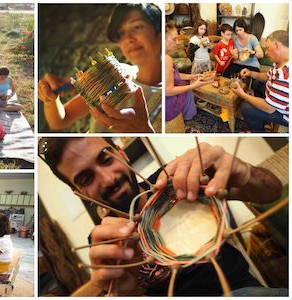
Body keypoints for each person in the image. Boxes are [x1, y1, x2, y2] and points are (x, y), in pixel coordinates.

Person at [39, 137, 285, 296]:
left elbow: (271, 191)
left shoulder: (176, 181)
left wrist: (243, 172)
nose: (108, 179)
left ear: (121, 153)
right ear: (78, 192)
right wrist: (122, 290)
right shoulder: (105, 242)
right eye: (86, 179)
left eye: (106, 159)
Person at [38, 4, 162, 133]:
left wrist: (143, 130)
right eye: (121, 33)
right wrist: (51, 100)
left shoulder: (173, 93)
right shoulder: (115, 74)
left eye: (137, 27)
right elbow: (59, 121)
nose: (128, 39)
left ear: (160, 32)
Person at [231, 30, 289, 132]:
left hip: (285, 114)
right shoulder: (280, 62)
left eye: (267, 48)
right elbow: (268, 77)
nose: (266, 52)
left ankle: (259, 133)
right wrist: (251, 73)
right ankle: (261, 119)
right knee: (257, 84)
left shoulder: (285, 75)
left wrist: (243, 95)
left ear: (277, 46)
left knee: (245, 108)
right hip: (278, 102)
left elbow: (269, 108)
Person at [165, 22, 211, 131]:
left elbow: (175, 75)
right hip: (168, 105)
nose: (178, 43)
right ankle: (186, 115)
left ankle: (187, 116)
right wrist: (194, 85)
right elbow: (168, 91)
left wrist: (193, 76)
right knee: (189, 90)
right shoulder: (166, 59)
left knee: (187, 85)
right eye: (174, 39)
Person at [223, 18, 265, 96]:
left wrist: (252, 52)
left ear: (245, 29)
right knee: (226, 72)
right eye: (236, 31)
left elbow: (261, 54)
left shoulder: (252, 38)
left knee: (254, 82)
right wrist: (233, 55)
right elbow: (235, 56)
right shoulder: (234, 39)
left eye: (240, 30)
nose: (238, 32)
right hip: (239, 62)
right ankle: (230, 94)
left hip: (252, 64)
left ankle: (246, 95)